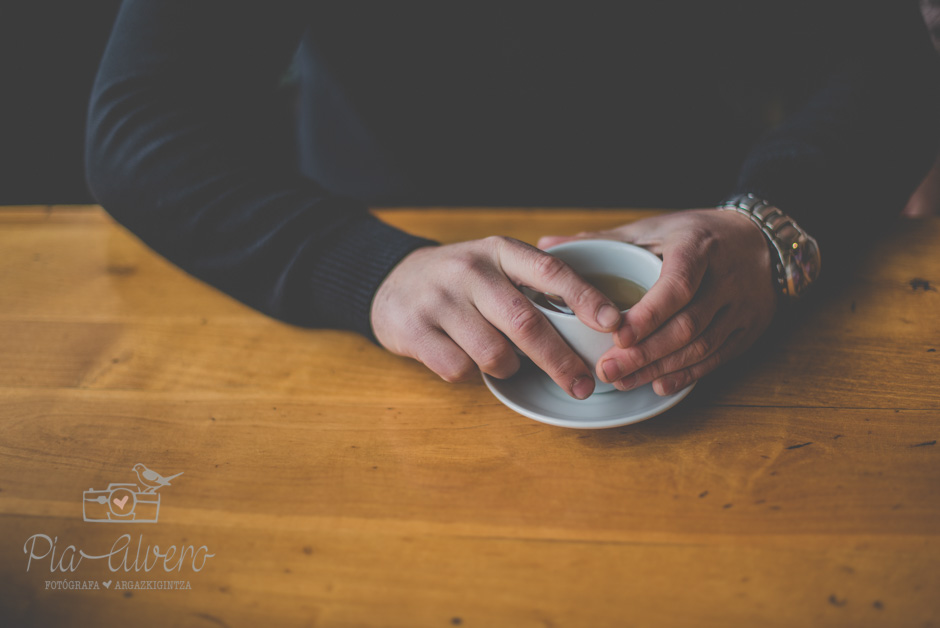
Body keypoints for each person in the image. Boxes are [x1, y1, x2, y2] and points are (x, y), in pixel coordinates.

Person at [86, 2, 940, 400]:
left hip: (706, 246)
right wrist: (372, 270)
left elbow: (897, 55)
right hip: (391, 251)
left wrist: (772, 220)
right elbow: (139, 120)